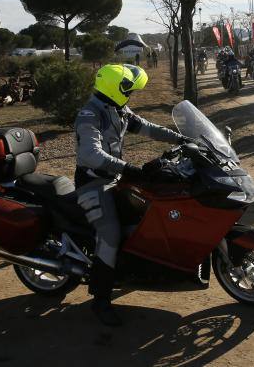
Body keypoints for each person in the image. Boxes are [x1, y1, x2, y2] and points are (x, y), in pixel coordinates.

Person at [74, 63, 189, 326]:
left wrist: (183, 139)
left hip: (115, 177)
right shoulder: (90, 115)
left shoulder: (118, 109)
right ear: (114, 88)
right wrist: (128, 168)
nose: (131, 93)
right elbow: (90, 155)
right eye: (128, 88)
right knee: (110, 234)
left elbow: (149, 128)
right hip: (93, 184)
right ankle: (100, 300)